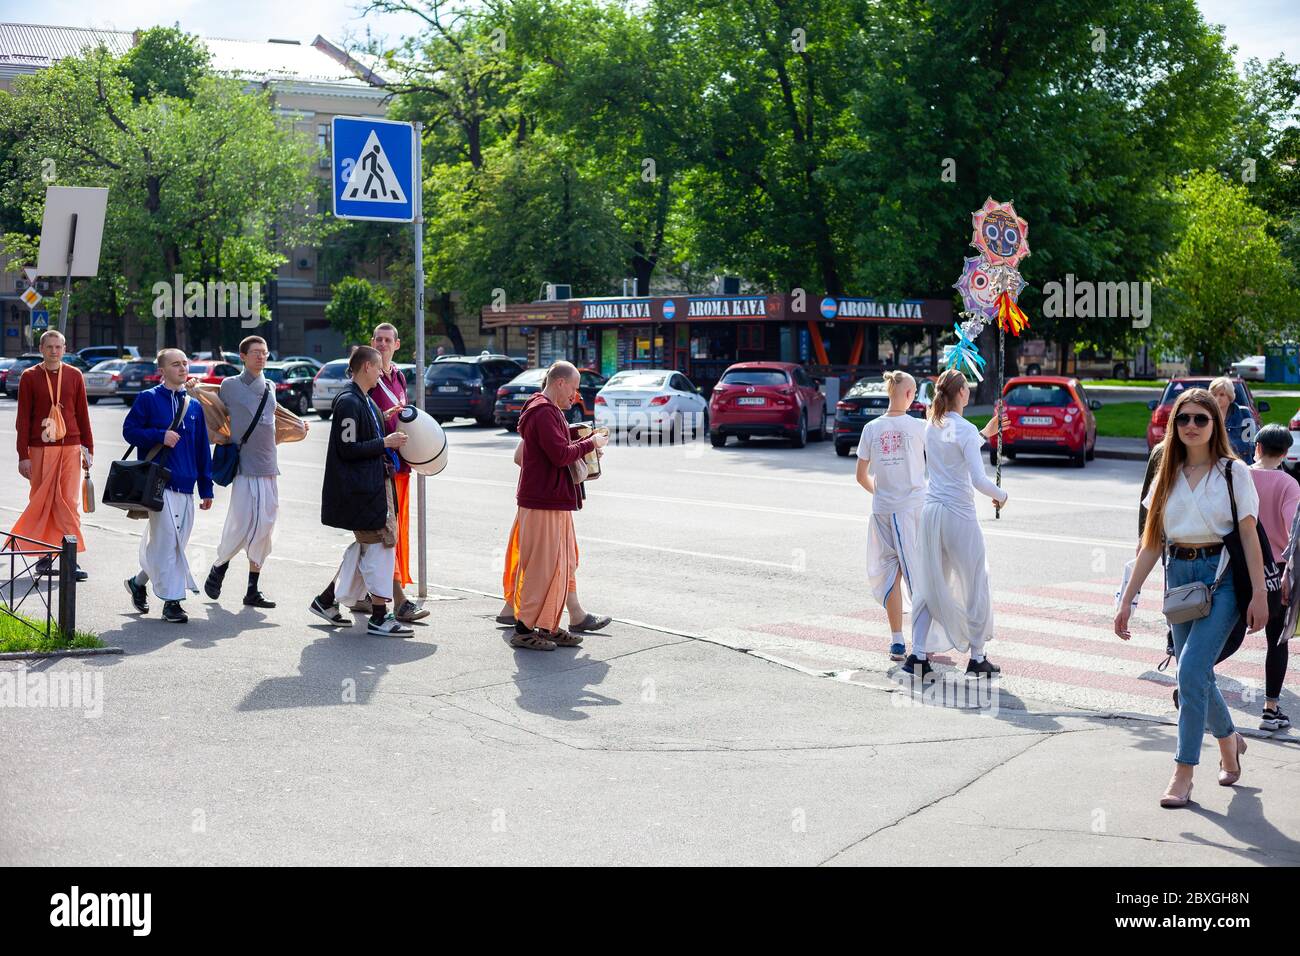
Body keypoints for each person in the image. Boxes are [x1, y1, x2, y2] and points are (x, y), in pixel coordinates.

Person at [1116, 388, 1269, 808]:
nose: (1191, 426)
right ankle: (1230, 742)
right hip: (1179, 578)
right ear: (1175, 424)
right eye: (1183, 419)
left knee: (1190, 671)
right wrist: (1128, 597)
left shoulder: (1233, 472)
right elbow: (1151, 542)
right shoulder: (1167, 468)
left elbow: (1249, 536)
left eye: (1201, 419)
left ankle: (1183, 771)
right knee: (1196, 675)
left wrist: (1258, 593)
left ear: (1214, 424)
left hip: (1221, 579)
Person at [909, 369, 1009, 679]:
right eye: (967, 387)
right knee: (975, 581)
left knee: (928, 582)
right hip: (959, 516)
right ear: (962, 394)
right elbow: (978, 479)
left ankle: (917, 654)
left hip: (932, 513)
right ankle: (977, 657)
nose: (969, 391)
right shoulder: (963, 429)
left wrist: (984, 433)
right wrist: (1002, 495)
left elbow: (954, 451)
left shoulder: (931, 425)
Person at [309, 346, 413, 637]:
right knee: (382, 545)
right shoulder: (349, 402)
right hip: (361, 492)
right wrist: (385, 442)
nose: (382, 373)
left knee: (367, 549)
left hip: (371, 488)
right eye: (378, 367)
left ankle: (326, 600)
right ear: (366, 367)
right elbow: (348, 448)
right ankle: (380, 615)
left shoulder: (363, 400)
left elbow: (362, 435)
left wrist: (383, 419)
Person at [508, 361, 609, 650]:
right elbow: (560, 455)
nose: (575, 396)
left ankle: (548, 626)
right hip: (542, 502)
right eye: (574, 388)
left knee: (561, 565)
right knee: (542, 567)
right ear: (560, 382)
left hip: (551, 500)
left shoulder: (544, 409)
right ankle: (524, 629)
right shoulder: (543, 411)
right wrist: (591, 443)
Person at [123, 349, 214, 623]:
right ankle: (172, 602)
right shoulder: (148, 399)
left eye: (185, 363)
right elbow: (129, 431)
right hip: (159, 484)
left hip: (187, 486)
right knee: (167, 544)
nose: (183, 368)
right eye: (176, 364)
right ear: (162, 370)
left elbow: (202, 451)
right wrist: (159, 435)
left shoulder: (195, 406)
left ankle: (138, 582)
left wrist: (206, 488)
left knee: (174, 545)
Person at [347, 323, 428, 624]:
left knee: (383, 537)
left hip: (401, 465)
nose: (381, 344)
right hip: (379, 468)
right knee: (385, 535)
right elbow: (365, 420)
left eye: (387, 340)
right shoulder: (369, 377)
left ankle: (343, 595)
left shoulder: (399, 376)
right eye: (377, 340)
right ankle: (397, 598)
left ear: (397, 344)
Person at [202, 336, 286, 609]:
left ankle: (252, 588)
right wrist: (193, 390)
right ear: (243, 356)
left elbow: (278, 416)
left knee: (265, 528)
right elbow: (210, 404)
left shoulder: (271, 386)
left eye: (264, 352)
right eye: (256, 353)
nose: (261, 357)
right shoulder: (230, 385)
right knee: (240, 524)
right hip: (245, 468)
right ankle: (220, 566)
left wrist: (299, 425)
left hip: (269, 467)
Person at [853, 370, 929, 669]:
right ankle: (923, 644)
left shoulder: (871, 428)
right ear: (910, 394)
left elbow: (861, 476)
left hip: (881, 510)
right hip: (910, 510)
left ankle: (897, 638)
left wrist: (880, 494)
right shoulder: (918, 427)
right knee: (917, 576)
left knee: (891, 575)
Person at [496, 439, 611, 633]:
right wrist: (580, 450)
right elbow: (521, 457)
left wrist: (582, 456)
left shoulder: (549, 417)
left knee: (548, 559)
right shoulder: (544, 416)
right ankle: (573, 615)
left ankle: (512, 608)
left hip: (547, 501)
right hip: (545, 503)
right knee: (557, 559)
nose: (572, 405)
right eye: (568, 404)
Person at [8, 330, 93, 581]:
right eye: (49, 347)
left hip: (71, 447)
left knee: (68, 502)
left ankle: (70, 559)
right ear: (41, 349)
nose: (54, 351)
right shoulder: (30, 376)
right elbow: (23, 419)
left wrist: (88, 450)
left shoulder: (75, 375)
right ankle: (45, 558)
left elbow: (83, 414)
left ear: (65, 349)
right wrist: (22, 455)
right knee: (43, 500)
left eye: (58, 347)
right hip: (40, 448)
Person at [1248, 423, 1299, 731]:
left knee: (1224, 635)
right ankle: (1270, 709)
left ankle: (1192, 685)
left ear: (1257, 448)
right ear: (1285, 453)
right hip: (1276, 572)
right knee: (1276, 641)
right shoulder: (1288, 484)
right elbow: (1294, 532)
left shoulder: (1239, 476)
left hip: (1238, 568)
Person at [1209, 376, 1255, 463]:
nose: (1217, 398)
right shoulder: (1206, 415)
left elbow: (1250, 445)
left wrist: (1224, 447)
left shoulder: (1243, 413)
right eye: (1214, 395)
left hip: (1240, 464)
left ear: (1230, 396)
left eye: (1222, 395)